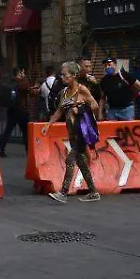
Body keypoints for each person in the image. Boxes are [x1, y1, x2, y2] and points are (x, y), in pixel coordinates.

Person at [41, 62, 101, 204]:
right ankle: (93, 192)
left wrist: (79, 107)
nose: (62, 77)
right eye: (61, 74)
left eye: (65, 74)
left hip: (82, 131)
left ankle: (63, 193)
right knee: (81, 162)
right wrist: (48, 124)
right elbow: (60, 111)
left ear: (74, 76)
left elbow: (95, 105)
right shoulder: (64, 92)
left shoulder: (82, 90)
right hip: (72, 133)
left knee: (70, 159)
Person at [0, 66, 31, 157]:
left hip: (11, 110)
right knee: (26, 131)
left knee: (8, 130)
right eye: (23, 72)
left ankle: (1, 148)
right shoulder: (22, 82)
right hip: (21, 110)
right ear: (20, 73)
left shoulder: (11, 81)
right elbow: (29, 90)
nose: (24, 74)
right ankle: (29, 150)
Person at [99, 57, 140, 122]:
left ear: (115, 64)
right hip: (112, 111)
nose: (107, 67)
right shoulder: (104, 80)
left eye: (109, 65)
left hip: (127, 110)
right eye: (105, 66)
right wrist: (100, 113)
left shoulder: (124, 75)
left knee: (127, 131)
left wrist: (131, 94)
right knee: (111, 131)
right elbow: (102, 98)